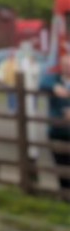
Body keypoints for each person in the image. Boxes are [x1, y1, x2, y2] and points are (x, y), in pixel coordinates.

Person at [40, 52, 70, 192]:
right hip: (58, 131)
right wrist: (54, 87)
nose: (68, 68)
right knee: (61, 164)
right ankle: (64, 195)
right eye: (65, 65)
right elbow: (42, 82)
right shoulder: (55, 80)